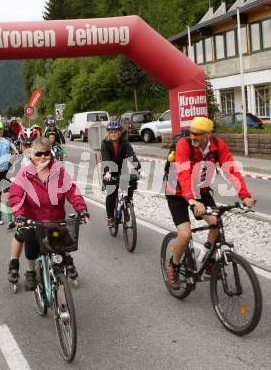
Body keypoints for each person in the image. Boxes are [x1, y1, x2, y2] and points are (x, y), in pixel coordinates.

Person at [165, 116, 255, 290]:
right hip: (176, 191)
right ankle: (174, 266)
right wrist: (190, 199)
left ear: (208, 134)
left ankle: (208, 259)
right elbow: (183, 174)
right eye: (191, 132)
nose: (193, 136)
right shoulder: (184, 145)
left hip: (201, 191)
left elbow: (231, 170)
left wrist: (245, 195)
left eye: (198, 134)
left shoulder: (217, 145)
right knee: (184, 235)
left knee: (215, 223)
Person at [8, 137, 89, 291]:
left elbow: (72, 191)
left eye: (46, 153)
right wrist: (19, 214)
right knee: (29, 240)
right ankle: (30, 271)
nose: (43, 157)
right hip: (34, 221)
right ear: (32, 155)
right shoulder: (24, 174)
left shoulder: (59, 171)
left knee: (62, 242)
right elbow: (15, 196)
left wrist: (81, 208)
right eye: (38, 154)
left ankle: (66, 263)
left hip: (55, 220)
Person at [7, 127, 40, 286]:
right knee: (23, 233)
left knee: (58, 228)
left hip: (43, 205)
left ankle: (66, 261)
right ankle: (14, 264)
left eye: (32, 144)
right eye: (25, 145)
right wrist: (18, 214)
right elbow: (14, 191)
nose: (29, 148)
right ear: (20, 145)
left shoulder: (46, 157)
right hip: (24, 204)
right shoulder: (16, 161)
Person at [101, 120, 143, 227]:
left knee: (132, 182)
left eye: (116, 132)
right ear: (108, 133)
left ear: (120, 132)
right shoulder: (105, 143)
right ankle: (110, 217)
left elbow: (131, 155)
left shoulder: (125, 142)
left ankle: (127, 205)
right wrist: (107, 172)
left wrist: (139, 169)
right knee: (112, 192)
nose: (113, 134)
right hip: (109, 170)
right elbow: (105, 158)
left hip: (122, 168)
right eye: (111, 132)